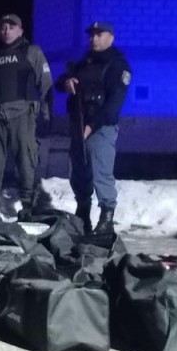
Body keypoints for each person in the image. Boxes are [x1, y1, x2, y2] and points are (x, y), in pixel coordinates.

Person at [0, 13, 53, 219]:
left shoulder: (32, 52)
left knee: (26, 161)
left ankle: (27, 204)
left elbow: (46, 85)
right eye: (3, 27)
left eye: (12, 27)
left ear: (20, 31)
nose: (7, 31)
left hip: (23, 115)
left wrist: (47, 116)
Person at [55, 21, 131, 234]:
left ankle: (106, 219)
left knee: (101, 172)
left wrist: (91, 126)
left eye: (99, 34)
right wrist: (67, 81)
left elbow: (114, 104)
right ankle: (83, 214)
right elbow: (59, 83)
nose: (93, 38)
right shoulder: (86, 62)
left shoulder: (117, 64)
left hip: (101, 127)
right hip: (79, 123)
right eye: (91, 35)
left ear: (111, 38)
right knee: (80, 172)